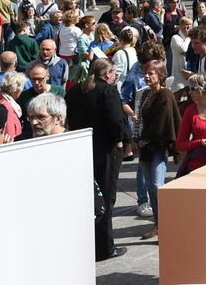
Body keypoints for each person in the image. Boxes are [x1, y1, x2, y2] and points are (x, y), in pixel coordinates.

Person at [64, 58, 126, 261]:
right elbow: (116, 120)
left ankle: (87, 245)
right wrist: (119, 141)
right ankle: (104, 247)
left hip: (83, 148)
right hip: (105, 150)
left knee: (87, 199)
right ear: (107, 74)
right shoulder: (107, 91)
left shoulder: (75, 91)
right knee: (106, 198)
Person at [133, 59, 179, 240]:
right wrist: (135, 139)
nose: (147, 76)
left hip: (158, 147)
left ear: (160, 75)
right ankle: (158, 224)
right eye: (145, 73)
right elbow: (139, 120)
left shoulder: (165, 94)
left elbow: (167, 123)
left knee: (157, 185)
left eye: (151, 73)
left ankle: (165, 225)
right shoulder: (144, 95)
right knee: (150, 186)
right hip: (145, 146)